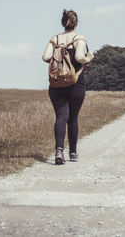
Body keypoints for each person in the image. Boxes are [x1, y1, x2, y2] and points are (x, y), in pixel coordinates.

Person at [42, 9, 94, 164]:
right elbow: (79, 57)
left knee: (60, 116)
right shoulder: (79, 38)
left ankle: (59, 150)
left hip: (56, 83)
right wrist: (88, 58)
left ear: (63, 23)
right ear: (76, 23)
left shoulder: (54, 38)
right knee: (73, 118)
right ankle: (72, 152)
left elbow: (45, 57)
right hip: (75, 83)